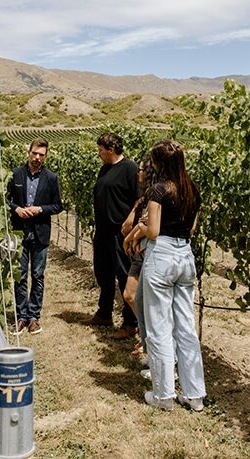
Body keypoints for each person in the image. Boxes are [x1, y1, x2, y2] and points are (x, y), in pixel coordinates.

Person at [130, 139, 206, 412]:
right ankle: (194, 394)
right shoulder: (192, 191)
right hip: (185, 256)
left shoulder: (158, 191)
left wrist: (140, 229)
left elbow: (153, 230)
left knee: (159, 327)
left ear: (159, 163)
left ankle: (163, 395)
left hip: (161, 256)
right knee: (185, 327)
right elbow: (192, 228)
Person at [84, 131, 139, 338]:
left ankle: (130, 323)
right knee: (103, 273)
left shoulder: (130, 168)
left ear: (111, 149)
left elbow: (139, 198)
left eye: (101, 150)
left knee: (124, 276)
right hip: (103, 231)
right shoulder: (105, 168)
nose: (99, 154)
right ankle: (104, 313)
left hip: (120, 233)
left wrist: (131, 218)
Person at [8, 138, 63, 335]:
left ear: (45, 156)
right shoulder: (15, 174)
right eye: (35, 153)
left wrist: (40, 209)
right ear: (29, 152)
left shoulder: (51, 178)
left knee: (38, 276)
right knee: (20, 275)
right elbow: (6, 201)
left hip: (40, 233)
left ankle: (34, 317)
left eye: (41, 155)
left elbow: (58, 205)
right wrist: (17, 210)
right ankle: (21, 316)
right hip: (19, 231)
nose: (37, 157)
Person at [122, 159, 156, 359]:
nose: (138, 173)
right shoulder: (144, 196)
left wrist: (130, 237)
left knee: (134, 296)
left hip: (145, 253)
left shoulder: (155, 195)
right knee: (131, 296)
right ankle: (145, 338)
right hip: (139, 252)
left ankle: (147, 341)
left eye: (142, 170)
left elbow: (148, 225)